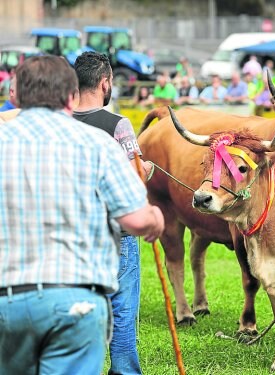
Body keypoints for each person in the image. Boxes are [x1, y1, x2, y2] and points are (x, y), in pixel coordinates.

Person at [0, 55, 164, 375]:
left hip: (9, 298)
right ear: (70, 95)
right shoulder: (99, 142)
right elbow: (135, 218)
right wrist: (155, 218)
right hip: (76, 298)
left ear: (18, 94)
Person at [73, 51, 154, 375]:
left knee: (79, 311)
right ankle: (124, 370)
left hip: (73, 233)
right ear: (106, 83)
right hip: (116, 234)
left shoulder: (60, 122)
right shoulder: (116, 125)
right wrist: (145, 169)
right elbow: (134, 177)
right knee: (121, 311)